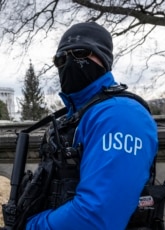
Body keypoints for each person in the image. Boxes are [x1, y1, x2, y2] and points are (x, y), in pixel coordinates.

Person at [25, 22, 158, 229]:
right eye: (60, 58)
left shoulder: (119, 115)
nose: (68, 61)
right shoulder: (75, 116)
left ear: (103, 59)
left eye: (80, 52)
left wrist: (33, 226)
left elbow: (97, 216)